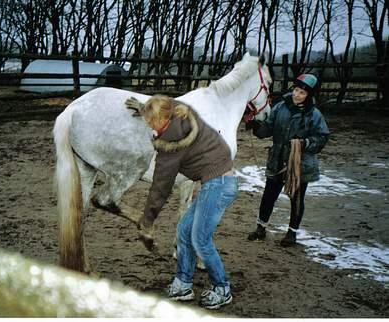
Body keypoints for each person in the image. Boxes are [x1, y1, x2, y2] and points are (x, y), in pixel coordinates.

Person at [126, 94, 238, 310]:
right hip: (215, 181)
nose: (150, 127)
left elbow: (161, 186)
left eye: (152, 122)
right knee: (184, 231)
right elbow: (168, 104)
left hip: (219, 184)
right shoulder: (180, 112)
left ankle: (222, 288)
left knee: (200, 240)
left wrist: (147, 220)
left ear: (163, 120)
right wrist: (144, 108)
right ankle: (183, 284)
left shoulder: (172, 143)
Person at [246, 74, 330, 246]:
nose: (297, 95)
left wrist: (305, 143)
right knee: (269, 195)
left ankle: (292, 233)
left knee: (297, 199)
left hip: (300, 163)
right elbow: (267, 129)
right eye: (296, 90)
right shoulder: (280, 108)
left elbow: (322, 137)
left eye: (302, 93)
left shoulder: (314, 115)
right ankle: (261, 228)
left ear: (309, 96)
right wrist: (255, 126)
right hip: (277, 159)